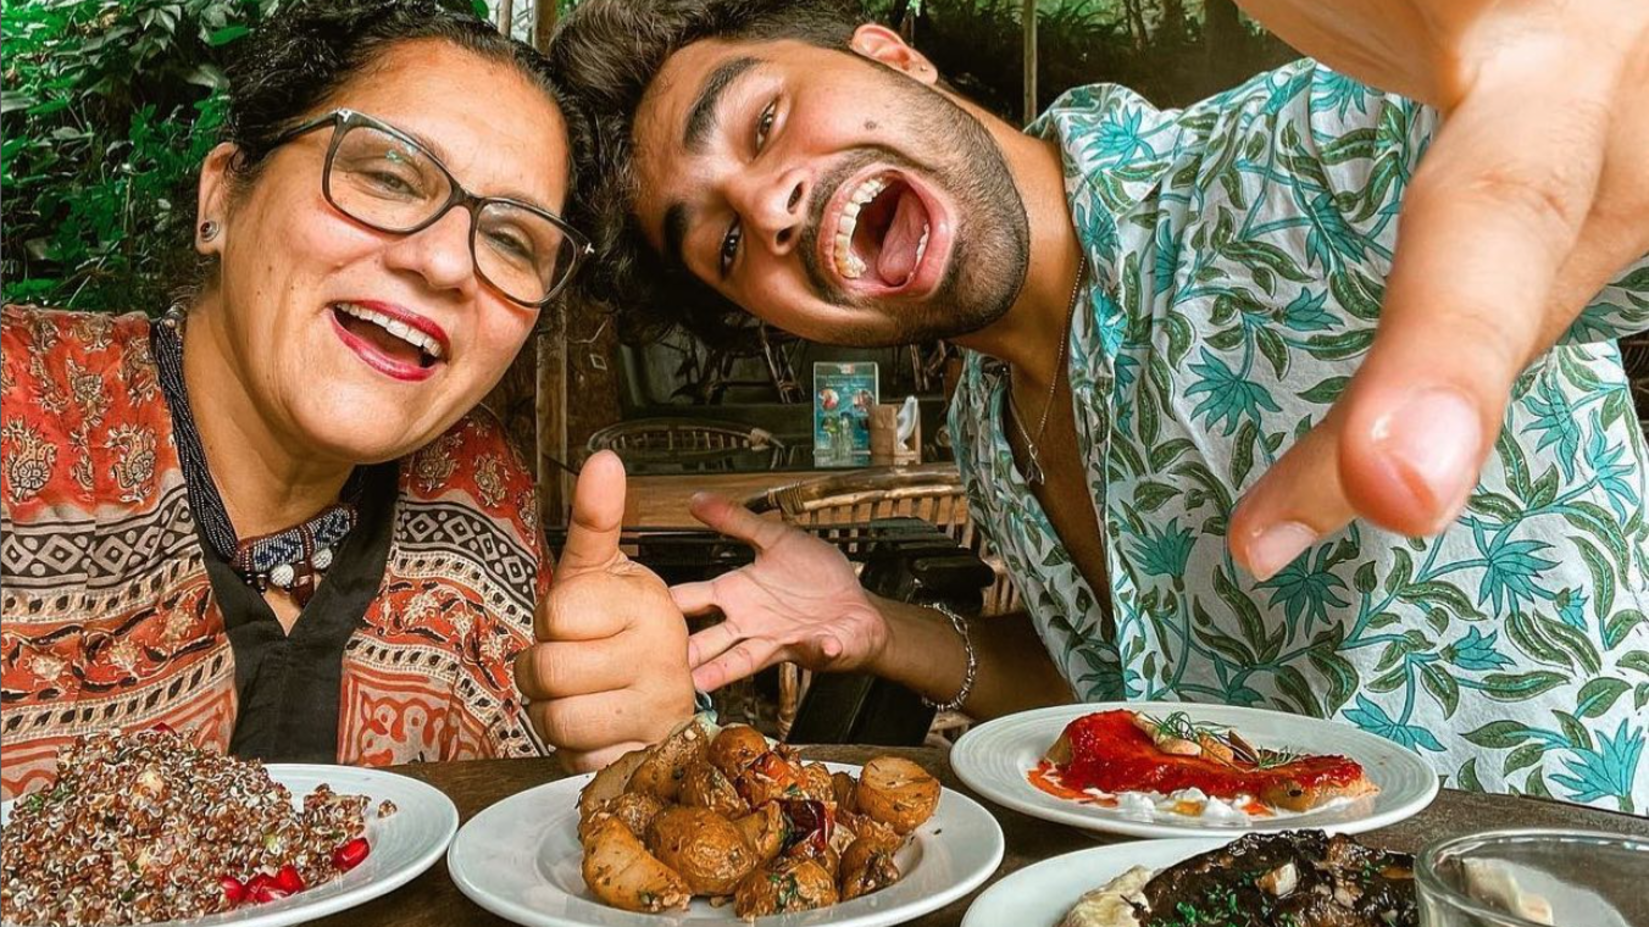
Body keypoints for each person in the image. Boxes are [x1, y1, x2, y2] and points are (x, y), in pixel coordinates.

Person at [538, 0, 1649, 808]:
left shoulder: (1311, 153)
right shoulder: (986, 418)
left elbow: (1583, 112)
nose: (768, 204)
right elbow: (1146, 684)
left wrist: (1603, 60)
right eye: (725, 243)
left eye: (766, 117)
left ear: (893, 57)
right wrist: (879, 631)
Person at [0, 0, 693, 799]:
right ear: (222, 196)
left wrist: (655, 737)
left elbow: (552, 808)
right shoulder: (23, 401)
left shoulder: (473, 495)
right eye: (390, 176)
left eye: (511, 239)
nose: (443, 263)